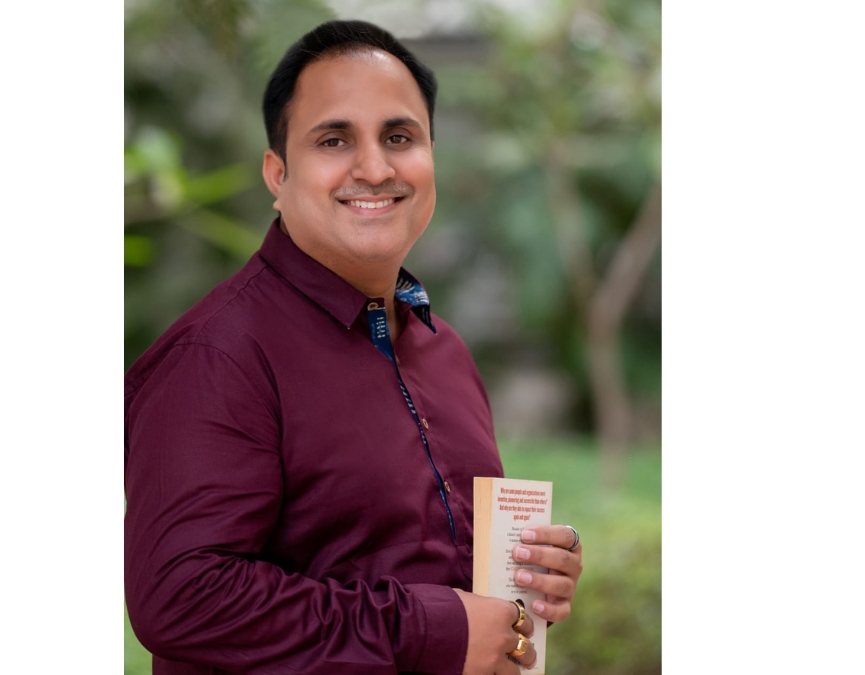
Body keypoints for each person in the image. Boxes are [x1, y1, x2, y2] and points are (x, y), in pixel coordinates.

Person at [124, 20, 583, 675]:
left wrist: (533, 574)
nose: (374, 168)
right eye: (334, 139)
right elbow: (182, 597)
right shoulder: (216, 355)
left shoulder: (442, 348)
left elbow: (426, 569)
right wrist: (432, 630)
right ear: (277, 174)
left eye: (399, 137)